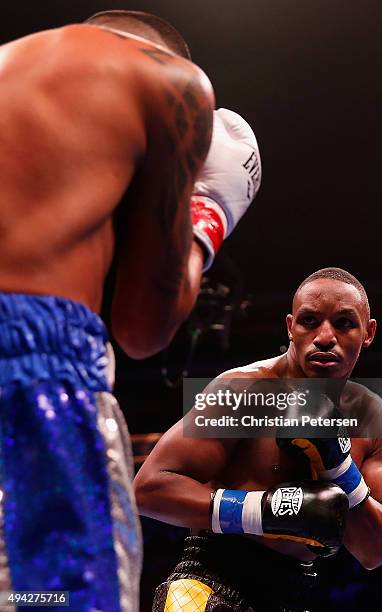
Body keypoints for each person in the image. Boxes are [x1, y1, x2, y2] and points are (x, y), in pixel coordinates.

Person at [0, 9, 261, 611]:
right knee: (59, 601)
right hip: (31, 374)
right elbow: (145, 327)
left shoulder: (17, 68)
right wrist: (209, 215)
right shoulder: (172, 84)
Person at [135, 267, 382, 611]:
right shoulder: (243, 390)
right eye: (309, 321)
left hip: (293, 594)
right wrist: (263, 511)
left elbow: (375, 551)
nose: (324, 337)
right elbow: (148, 489)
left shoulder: (373, 419)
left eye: (344, 323)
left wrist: (339, 466)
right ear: (291, 327)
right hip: (210, 581)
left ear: (369, 332)